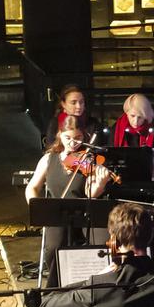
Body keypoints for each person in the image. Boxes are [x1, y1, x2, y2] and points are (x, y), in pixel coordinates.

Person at [25, 116, 111, 287]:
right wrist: (37, 205)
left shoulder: (88, 159)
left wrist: (100, 184)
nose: (73, 143)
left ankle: (97, 286)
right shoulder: (49, 159)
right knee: (54, 247)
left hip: (86, 213)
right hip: (58, 215)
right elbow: (32, 187)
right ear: (59, 134)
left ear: (84, 136)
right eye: (68, 138)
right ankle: (57, 288)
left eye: (78, 138)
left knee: (103, 243)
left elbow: (90, 193)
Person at [44, 84, 102, 149]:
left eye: (81, 102)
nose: (78, 106)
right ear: (63, 104)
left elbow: (98, 147)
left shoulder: (93, 123)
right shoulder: (55, 123)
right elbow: (50, 148)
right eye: (73, 103)